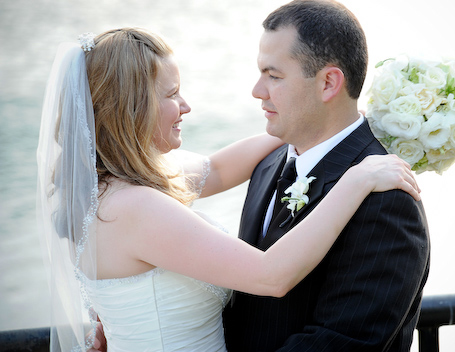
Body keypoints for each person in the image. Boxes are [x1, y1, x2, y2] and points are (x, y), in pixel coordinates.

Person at [37, 27, 420, 352]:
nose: (185, 106)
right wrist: (358, 178)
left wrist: (312, 124)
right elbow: (271, 275)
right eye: (171, 94)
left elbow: (218, 169)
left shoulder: (109, 189)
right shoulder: (133, 208)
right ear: (131, 108)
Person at [222, 0, 430, 351]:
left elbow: (342, 342)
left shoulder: (386, 199)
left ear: (328, 83)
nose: (257, 92)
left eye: (273, 76)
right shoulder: (268, 162)